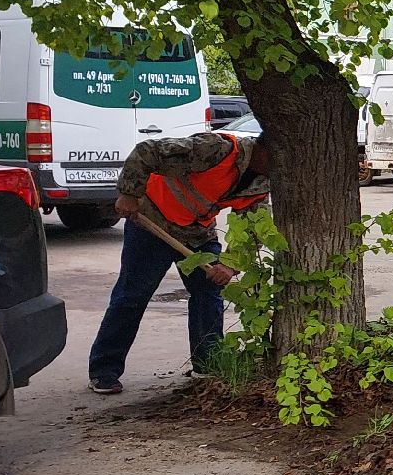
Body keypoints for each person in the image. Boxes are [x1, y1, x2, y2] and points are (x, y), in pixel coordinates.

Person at [85, 130, 273, 393]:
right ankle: (104, 370)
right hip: (152, 223)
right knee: (131, 296)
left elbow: (253, 227)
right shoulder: (216, 150)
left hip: (197, 234)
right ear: (264, 150)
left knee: (209, 291)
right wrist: (129, 193)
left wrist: (229, 264)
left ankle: (207, 364)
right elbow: (147, 151)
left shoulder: (261, 182)